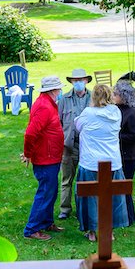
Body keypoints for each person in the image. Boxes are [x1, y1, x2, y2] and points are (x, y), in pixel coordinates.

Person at [74, 84, 128, 241]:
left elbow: (78, 126)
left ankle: (92, 232)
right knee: (111, 197)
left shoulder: (88, 113)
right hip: (112, 162)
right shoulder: (116, 112)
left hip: (91, 162)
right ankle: (109, 232)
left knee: (90, 197)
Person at [21, 76, 65, 241]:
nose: (60, 91)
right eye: (59, 89)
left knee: (51, 192)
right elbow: (31, 133)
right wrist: (28, 153)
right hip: (46, 159)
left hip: (51, 157)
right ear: (53, 90)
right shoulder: (45, 106)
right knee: (45, 192)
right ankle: (32, 228)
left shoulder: (47, 103)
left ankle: (47, 222)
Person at [57, 68, 92, 220]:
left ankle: (82, 209)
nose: (78, 83)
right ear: (71, 82)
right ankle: (65, 209)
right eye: (75, 80)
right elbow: (57, 123)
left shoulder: (94, 98)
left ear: (86, 81)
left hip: (88, 146)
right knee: (66, 179)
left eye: (81, 80)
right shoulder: (64, 99)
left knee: (85, 180)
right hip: (68, 147)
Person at [113, 80, 135, 226]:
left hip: (129, 156)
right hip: (120, 154)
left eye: (116, 94)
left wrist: (117, 137)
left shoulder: (132, 113)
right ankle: (123, 216)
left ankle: (129, 217)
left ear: (123, 96)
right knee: (120, 187)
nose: (113, 96)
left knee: (125, 187)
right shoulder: (117, 109)